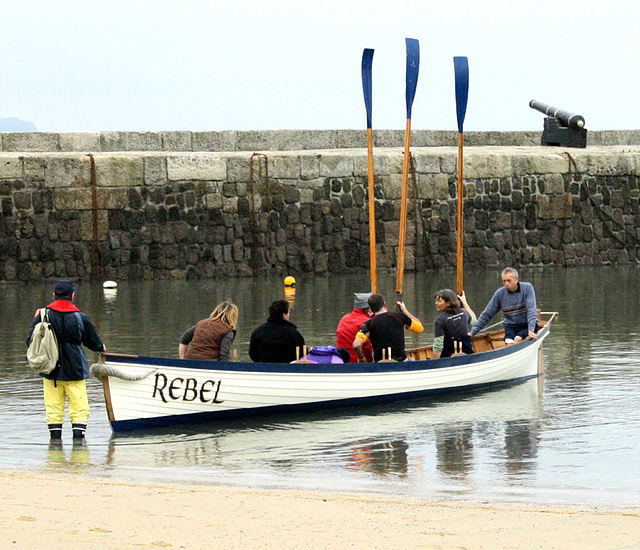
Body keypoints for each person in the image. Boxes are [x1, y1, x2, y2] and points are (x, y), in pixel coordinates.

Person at [26, 280, 105, 442]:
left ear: (54, 295)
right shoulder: (80, 317)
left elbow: (30, 341)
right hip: (75, 369)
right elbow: (93, 342)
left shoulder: (43, 315)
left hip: (50, 370)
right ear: (72, 296)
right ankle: (79, 447)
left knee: (53, 408)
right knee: (79, 408)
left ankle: (55, 447)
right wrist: (102, 348)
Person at [470, 267, 539, 344]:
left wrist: (531, 329)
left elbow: (531, 310)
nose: (506, 284)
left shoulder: (527, 288)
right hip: (511, 327)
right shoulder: (500, 294)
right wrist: (472, 333)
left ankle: (520, 338)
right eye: (504, 281)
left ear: (517, 280)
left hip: (527, 325)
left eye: (509, 281)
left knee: (518, 338)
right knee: (508, 341)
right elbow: (487, 314)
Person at [352, 294, 423, 362]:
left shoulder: (368, 324)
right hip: (401, 361)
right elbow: (420, 328)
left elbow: (356, 345)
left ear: (370, 309)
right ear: (385, 304)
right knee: (412, 360)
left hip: (379, 363)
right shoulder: (400, 317)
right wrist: (405, 311)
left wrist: (362, 358)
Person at [432, 289, 477, 359]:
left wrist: (434, 363)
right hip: (467, 353)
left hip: (448, 356)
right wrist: (464, 302)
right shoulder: (464, 312)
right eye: (436, 301)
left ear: (448, 303)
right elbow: (474, 321)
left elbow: (438, 346)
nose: (436, 303)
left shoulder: (440, 320)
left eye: (439, 301)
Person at [335, 292, 373, 363]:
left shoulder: (344, 319)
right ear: (369, 309)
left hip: (341, 362)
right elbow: (371, 348)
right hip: (361, 364)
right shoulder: (367, 323)